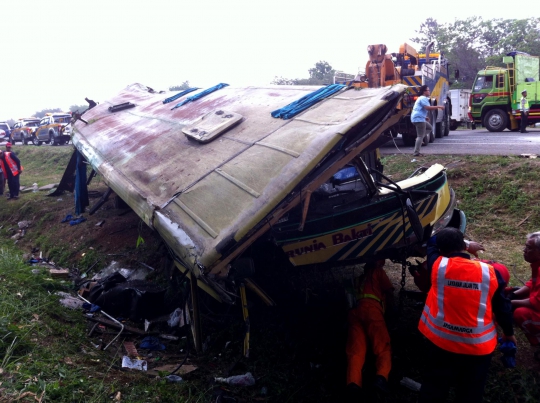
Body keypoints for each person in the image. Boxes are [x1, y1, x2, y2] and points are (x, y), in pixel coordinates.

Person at [418, 228, 515, 403]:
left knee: (434, 389)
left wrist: (466, 244)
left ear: (441, 251)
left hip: (442, 343)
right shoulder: (490, 272)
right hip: (478, 348)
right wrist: (509, 333)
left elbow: (432, 243)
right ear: (462, 246)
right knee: (470, 394)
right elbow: (502, 308)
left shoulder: (437, 266)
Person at [346, 259, 394, 401]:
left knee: (356, 351)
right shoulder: (378, 272)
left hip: (355, 313)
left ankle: (353, 384)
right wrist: (392, 315)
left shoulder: (359, 279)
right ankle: (381, 378)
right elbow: (389, 292)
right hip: (372, 311)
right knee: (382, 346)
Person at [510, 232, 540, 350]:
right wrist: (512, 295)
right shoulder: (537, 265)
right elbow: (532, 284)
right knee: (516, 292)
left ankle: (538, 344)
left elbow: (537, 303)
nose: (524, 250)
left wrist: (511, 302)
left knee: (521, 313)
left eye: (529, 248)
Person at [411, 85, 445, 157]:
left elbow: (420, 109)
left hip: (418, 118)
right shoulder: (423, 98)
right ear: (424, 92)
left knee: (429, 128)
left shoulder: (421, 98)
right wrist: (439, 106)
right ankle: (416, 152)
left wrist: (425, 117)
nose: (429, 91)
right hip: (418, 119)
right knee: (420, 136)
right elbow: (428, 108)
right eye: (428, 90)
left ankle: (419, 139)